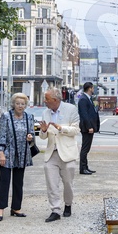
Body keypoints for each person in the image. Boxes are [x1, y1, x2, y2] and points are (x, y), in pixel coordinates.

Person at [39, 87, 80, 222]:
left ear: (55, 100)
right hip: (52, 153)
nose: (45, 101)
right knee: (52, 183)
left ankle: (68, 204)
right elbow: (43, 136)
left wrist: (61, 128)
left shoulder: (71, 109)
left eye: (47, 99)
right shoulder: (45, 113)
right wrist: (43, 131)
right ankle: (55, 210)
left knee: (68, 183)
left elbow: (76, 130)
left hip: (67, 153)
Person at [0, 92, 35, 221]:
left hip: (22, 153)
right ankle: (0, 210)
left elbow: (32, 133)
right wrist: (0, 153)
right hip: (7, 153)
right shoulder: (6, 116)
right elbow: (0, 135)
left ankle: (16, 208)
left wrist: (30, 137)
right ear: (13, 104)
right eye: (18, 103)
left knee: (18, 182)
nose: (20, 106)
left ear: (25, 105)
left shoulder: (29, 117)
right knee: (4, 181)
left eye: (22, 104)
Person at [77, 82, 100, 175]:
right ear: (90, 88)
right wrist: (89, 126)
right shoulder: (83, 99)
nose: (93, 89)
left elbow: (92, 112)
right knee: (85, 148)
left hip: (90, 127)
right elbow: (84, 114)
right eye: (92, 88)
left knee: (87, 148)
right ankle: (82, 168)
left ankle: (85, 167)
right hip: (87, 128)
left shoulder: (89, 99)